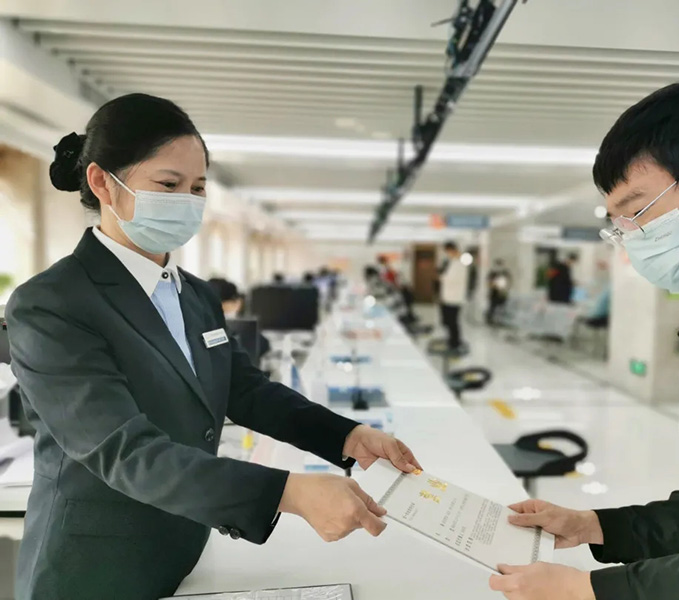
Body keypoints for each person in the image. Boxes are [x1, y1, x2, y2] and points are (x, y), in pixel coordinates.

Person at [5, 94, 421, 600]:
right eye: (169, 184)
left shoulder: (196, 295)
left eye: (198, 187)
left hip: (183, 549)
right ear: (102, 183)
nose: (187, 200)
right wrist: (286, 492)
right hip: (93, 570)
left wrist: (347, 436)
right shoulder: (52, 304)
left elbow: (244, 391)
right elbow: (124, 451)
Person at [489, 76, 679, 600]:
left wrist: (599, 590)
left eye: (638, 211)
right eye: (619, 225)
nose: (631, 239)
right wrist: (599, 527)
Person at [438, 241, 468, 351]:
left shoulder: (461, 262)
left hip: (454, 298)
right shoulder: (453, 262)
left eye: (447, 251)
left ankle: (454, 343)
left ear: (452, 250)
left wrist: (442, 277)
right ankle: (452, 340)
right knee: (448, 321)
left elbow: (453, 279)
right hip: (448, 297)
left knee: (452, 322)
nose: (447, 254)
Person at [487, 258, 512, 325]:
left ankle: (500, 320)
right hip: (494, 293)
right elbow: (489, 282)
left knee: (501, 307)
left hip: (502, 293)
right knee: (493, 307)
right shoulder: (493, 273)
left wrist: (505, 289)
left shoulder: (505, 273)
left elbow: (508, 282)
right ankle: (491, 319)